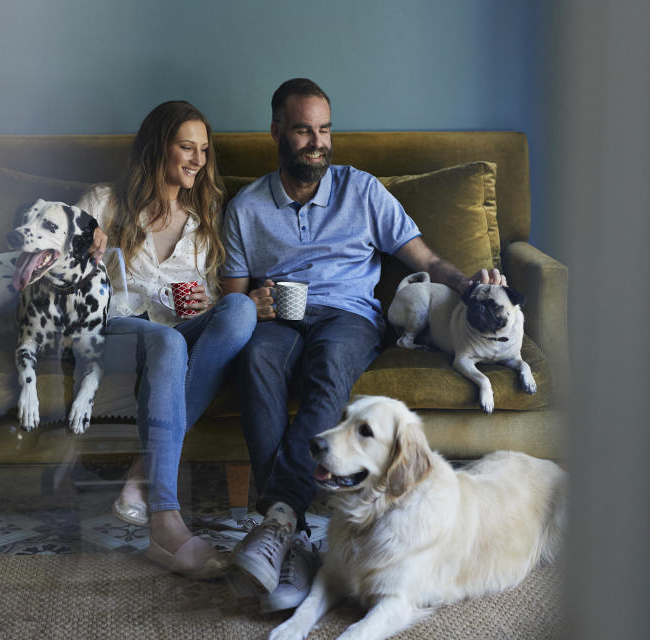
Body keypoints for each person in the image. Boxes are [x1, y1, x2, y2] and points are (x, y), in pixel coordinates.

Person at [219, 79, 506, 609]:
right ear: (278, 132)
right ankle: (297, 534)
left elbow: (423, 258)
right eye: (304, 130)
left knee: (330, 369)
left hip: (348, 315)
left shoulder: (363, 189)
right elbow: (232, 297)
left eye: (325, 129)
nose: (318, 141)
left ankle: (278, 520)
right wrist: (253, 301)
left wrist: (470, 287)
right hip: (279, 317)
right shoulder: (246, 206)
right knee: (255, 358)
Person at [76, 100, 256, 579]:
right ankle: (165, 521)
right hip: (111, 326)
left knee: (239, 309)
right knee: (168, 342)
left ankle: (140, 472)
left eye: (203, 149)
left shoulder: (207, 215)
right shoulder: (102, 203)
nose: (198, 159)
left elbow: (217, 293)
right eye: (186, 147)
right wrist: (82, 253)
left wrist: (207, 305)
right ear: (159, 148)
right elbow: (47, 275)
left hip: (176, 330)